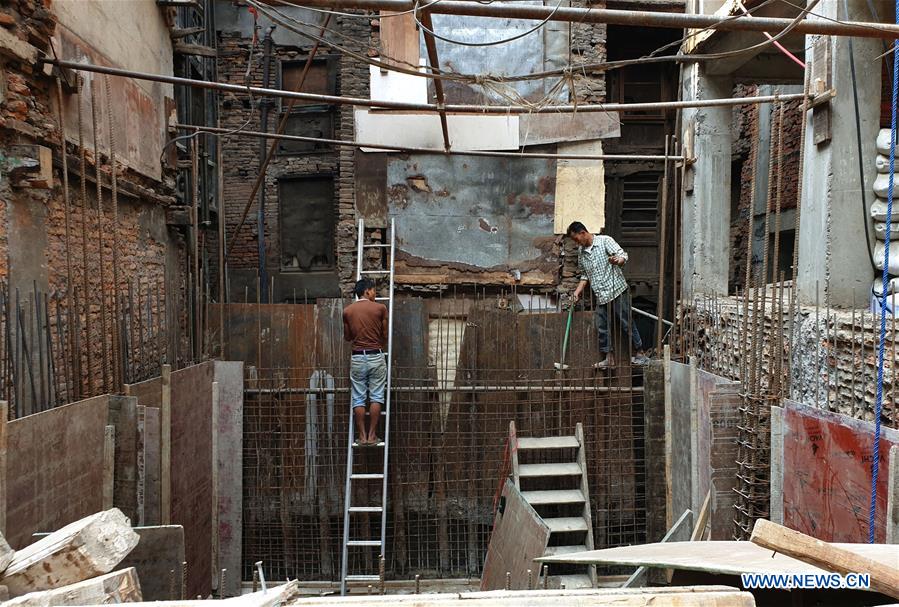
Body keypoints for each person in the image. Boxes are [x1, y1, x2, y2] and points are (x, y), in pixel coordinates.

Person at [567, 221, 649, 367]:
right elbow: (585, 276)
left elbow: (622, 255)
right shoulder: (581, 252)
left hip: (617, 290)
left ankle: (640, 352)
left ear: (583, 233)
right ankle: (609, 358)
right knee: (602, 326)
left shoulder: (605, 241)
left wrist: (618, 260)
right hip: (601, 295)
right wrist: (576, 293)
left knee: (626, 322)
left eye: (576, 239)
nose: (576, 243)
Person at [343, 278, 389, 446]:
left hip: (357, 357)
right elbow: (384, 334)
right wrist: (377, 343)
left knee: (358, 398)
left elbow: (347, 337)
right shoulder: (380, 308)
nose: (375, 294)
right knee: (376, 396)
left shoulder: (347, 311)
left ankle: (361, 437)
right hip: (375, 355)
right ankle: (372, 435)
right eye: (374, 291)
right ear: (367, 291)